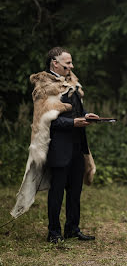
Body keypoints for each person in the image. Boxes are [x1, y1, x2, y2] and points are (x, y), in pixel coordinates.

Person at [45, 47, 98, 243]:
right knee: (57, 191)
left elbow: (76, 112)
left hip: (77, 146)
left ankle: (72, 229)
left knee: (75, 190)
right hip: (58, 147)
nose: (71, 66)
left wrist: (85, 116)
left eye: (71, 62)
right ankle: (54, 233)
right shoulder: (45, 86)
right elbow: (47, 120)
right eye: (68, 63)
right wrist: (73, 122)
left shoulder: (71, 83)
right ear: (55, 63)